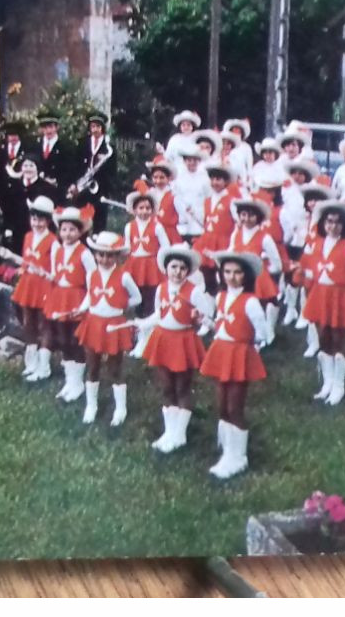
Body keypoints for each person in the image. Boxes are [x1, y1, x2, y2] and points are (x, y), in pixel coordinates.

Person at [199, 251, 272, 480]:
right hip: (222, 351)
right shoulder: (221, 297)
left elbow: (263, 333)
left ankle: (238, 457)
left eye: (237, 272)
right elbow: (222, 326)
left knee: (234, 407)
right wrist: (205, 322)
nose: (231, 277)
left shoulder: (250, 301)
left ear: (246, 275)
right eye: (227, 272)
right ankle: (227, 452)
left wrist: (249, 347)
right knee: (221, 405)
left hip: (239, 354)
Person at [136, 245, 214, 453]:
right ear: (166, 268)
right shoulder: (161, 289)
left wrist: (200, 319)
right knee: (166, 386)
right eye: (173, 267)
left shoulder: (194, 292)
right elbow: (159, 315)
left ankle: (180, 434)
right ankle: (169, 431)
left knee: (182, 387)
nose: (177, 272)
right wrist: (142, 323)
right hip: (163, 339)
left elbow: (208, 318)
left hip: (183, 341)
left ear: (188, 271)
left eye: (182, 268)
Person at [303, 200, 345, 406]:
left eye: (338, 223)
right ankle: (327, 383)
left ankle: (339, 385)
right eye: (329, 222)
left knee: (340, 339)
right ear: (323, 223)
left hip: (340, 296)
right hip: (321, 295)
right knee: (323, 337)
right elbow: (311, 269)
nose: (333, 226)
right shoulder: (318, 244)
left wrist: (342, 278)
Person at [74, 231, 142, 426]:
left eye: (109, 255)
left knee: (115, 367)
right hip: (93, 322)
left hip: (114, 324)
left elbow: (137, 297)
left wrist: (122, 305)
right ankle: (91, 405)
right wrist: (80, 309)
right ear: (95, 255)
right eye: (100, 255)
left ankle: (121, 407)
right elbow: (90, 295)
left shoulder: (124, 276)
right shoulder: (92, 274)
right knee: (92, 365)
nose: (104, 259)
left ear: (118, 256)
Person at [43, 207, 97, 403]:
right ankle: (69, 381)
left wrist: (85, 304)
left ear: (80, 232)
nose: (67, 234)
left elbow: (93, 280)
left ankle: (78, 383)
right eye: (64, 229)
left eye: (72, 230)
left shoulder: (84, 253)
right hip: (59, 298)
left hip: (76, 298)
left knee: (75, 342)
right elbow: (55, 274)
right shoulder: (57, 250)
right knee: (63, 339)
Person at [122, 189, 178, 358]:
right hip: (134, 266)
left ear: (152, 209)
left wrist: (164, 266)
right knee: (137, 302)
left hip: (151, 266)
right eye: (141, 208)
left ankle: (147, 338)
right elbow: (126, 248)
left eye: (147, 208)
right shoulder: (129, 226)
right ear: (134, 209)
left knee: (150, 302)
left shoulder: (157, 226)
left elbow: (166, 247)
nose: (144, 211)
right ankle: (138, 335)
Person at [225, 198, 286, 344]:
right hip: (239, 276)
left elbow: (277, 262)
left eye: (251, 215)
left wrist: (265, 271)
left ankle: (267, 333)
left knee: (263, 304)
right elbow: (230, 253)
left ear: (258, 217)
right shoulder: (236, 234)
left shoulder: (264, 237)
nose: (246, 219)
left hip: (257, 277)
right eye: (243, 214)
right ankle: (245, 332)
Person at [11, 196, 58, 382]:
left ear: (48, 221)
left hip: (44, 286)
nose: (37, 223)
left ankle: (44, 365)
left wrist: (47, 274)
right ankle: (31, 362)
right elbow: (25, 261)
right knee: (28, 321)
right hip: (28, 284)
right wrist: (21, 268)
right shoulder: (28, 237)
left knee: (44, 324)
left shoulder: (53, 242)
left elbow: (55, 269)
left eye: (41, 220)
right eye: (34, 219)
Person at [288, 182, 335, 357]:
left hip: (323, 264)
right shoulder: (309, 221)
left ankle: (323, 340)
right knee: (308, 300)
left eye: (317, 200)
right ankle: (312, 340)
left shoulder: (327, 224)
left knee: (320, 304)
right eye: (310, 200)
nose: (313, 203)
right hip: (309, 261)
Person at [192, 163, 240, 293]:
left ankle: (225, 300)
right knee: (207, 272)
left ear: (226, 182)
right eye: (212, 179)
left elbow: (238, 223)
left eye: (218, 179)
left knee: (224, 274)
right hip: (208, 242)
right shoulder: (208, 200)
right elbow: (206, 221)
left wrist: (234, 243)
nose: (215, 182)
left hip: (223, 242)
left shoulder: (231, 201)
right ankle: (210, 300)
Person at [76, 112, 118, 232]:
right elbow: (77, 164)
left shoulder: (109, 147)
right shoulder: (83, 143)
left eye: (98, 127)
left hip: (101, 188)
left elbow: (112, 170)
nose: (95, 130)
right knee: (82, 219)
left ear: (103, 128)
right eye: (93, 126)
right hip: (84, 187)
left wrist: (108, 187)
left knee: (100, 221)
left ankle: (97, 242)